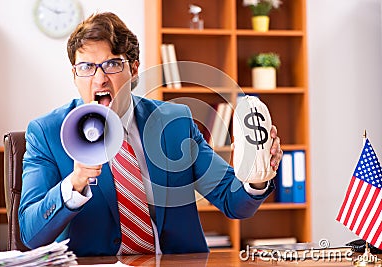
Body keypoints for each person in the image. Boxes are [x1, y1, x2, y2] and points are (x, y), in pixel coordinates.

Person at [18, 12, 283, 257]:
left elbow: (232, 201)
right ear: (74, 75)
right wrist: (74, 183)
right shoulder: (47, 133)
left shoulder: (175, 122)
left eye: (111, 64)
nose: (99, 80)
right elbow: (31, 235)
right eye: (86, 67)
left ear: (133, 70)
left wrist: (256, 177)